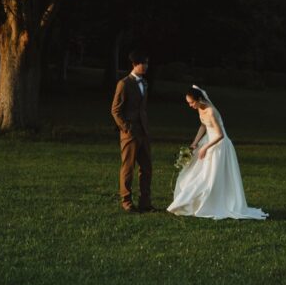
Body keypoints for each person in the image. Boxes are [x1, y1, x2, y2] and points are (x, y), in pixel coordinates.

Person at [167, 85, 267, 220]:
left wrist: (205, 148)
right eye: (188, 103)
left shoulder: (211, 111)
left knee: (210, 176)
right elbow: (203, 125)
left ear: (199, 99)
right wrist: (195, 143)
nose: (190, 105)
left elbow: (220, 135)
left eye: (191, 102)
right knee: (193, 171)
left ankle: (212, 203)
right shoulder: (200, 108)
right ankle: (192, 202)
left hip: (218, 145)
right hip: (207, 141)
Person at [111, 50, 155, 213]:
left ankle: (145, 202)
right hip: (130, 132)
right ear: (134, 65)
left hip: (144, 131)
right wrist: (126, 128)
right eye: (141, 63)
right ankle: (127, 201)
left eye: (147, 63)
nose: (145, 66)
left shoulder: (145, 83)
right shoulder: (124, 83)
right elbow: (115, 110)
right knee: (128, 168)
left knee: (146, 168)